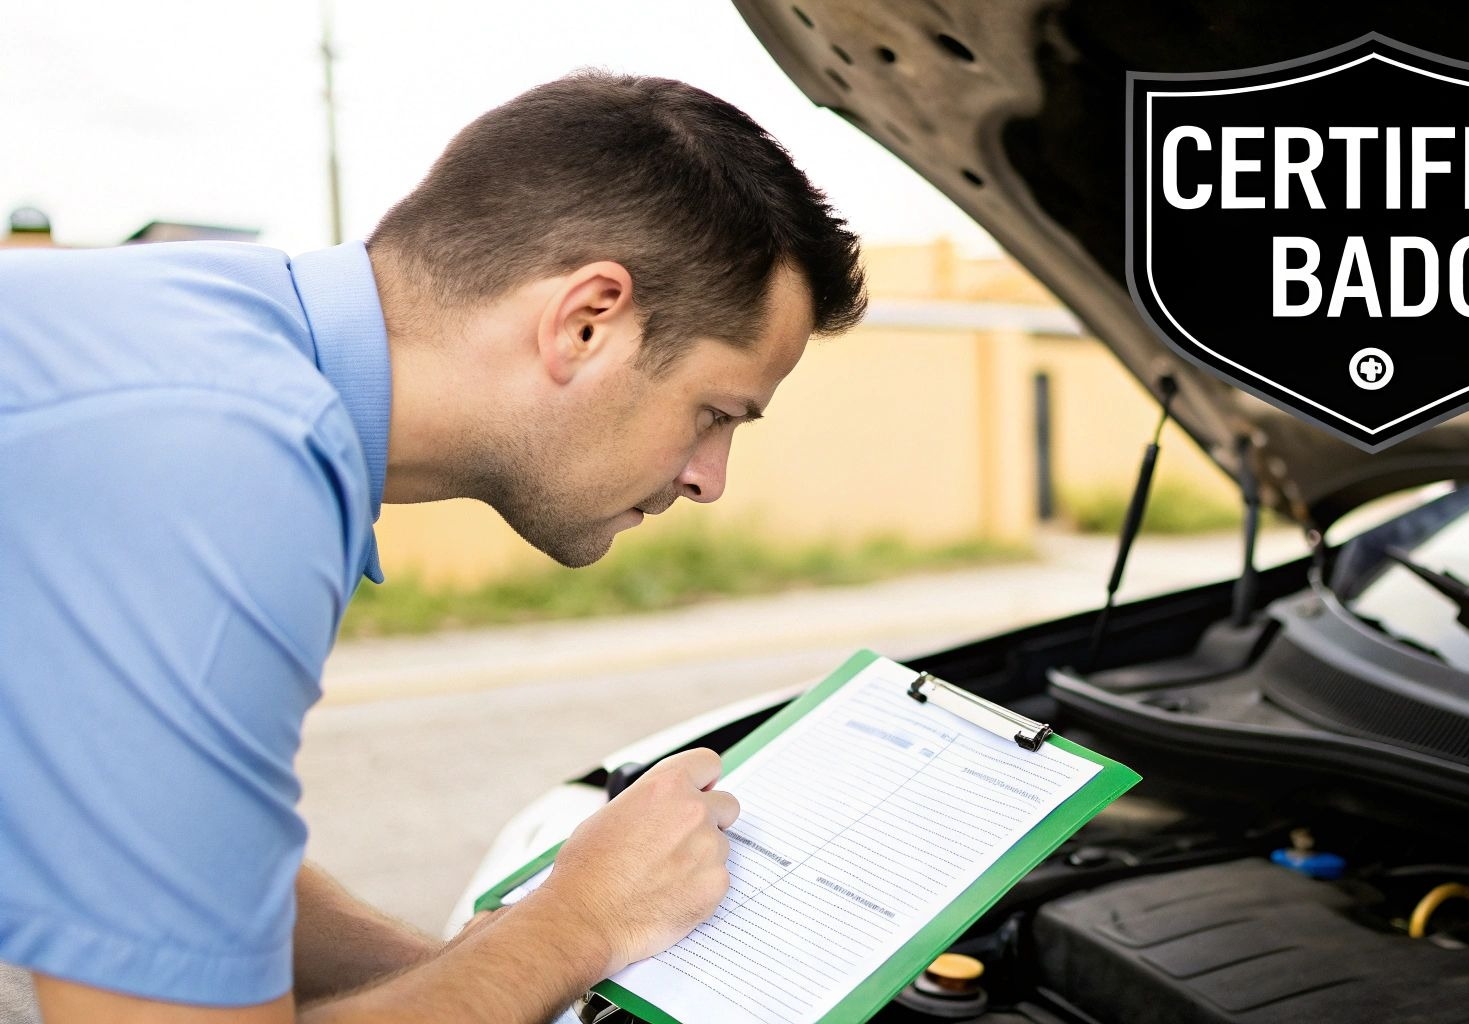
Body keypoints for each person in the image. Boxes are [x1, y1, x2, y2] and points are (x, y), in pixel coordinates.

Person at [0, 70, 868, 1023]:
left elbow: (175, 852)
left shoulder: (218, 339)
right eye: (714, 412)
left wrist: (482, 968)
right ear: (587, 322)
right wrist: (580, 923)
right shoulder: (230, 466)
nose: (711, 477)